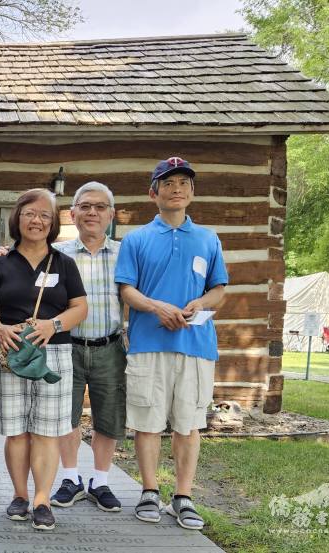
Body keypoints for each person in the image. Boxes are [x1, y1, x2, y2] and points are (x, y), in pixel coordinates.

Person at [114, 157, 228, 531]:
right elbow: (126, 289)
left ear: (192, 192)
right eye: (168, 183)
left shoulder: (208, 239)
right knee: (147, 422)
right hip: (148, 344)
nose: (176, 188)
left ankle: (183, 496)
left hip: (196, 346)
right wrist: (156, 307)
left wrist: (201, 302)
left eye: (184, 182)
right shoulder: (137, 239)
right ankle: (149, 491)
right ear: (154, 192)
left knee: (188, 423)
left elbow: (219, 290)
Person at [0, 188, 88, 531]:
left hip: (54, 354)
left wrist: (52, 325)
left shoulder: (65, 263)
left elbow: (80, 307)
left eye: (44, 215)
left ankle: (42, 499)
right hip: (12, 354)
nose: (36, 220)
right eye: (30, 213)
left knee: (46, 432)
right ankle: (19, 495)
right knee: (16, 431)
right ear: (18, 218)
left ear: (53, 223)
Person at [48, 182, 127, 513]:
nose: (92, 212)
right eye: (85, 206)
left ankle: (100, 480)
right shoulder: (58, 254)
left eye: (100, 207)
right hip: (68, 346)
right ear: (72, 213)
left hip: (109, 346)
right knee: (66, 415)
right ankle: (70, 478)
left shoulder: (126, 253)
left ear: (111, 214)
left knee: (108, 415)